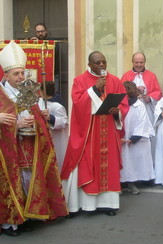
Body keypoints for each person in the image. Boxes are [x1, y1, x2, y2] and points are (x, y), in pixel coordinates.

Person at [0, 41, 68, 237]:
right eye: (16, 74)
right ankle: (9, 223)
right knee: (10, 182)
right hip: (6, 150)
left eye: (22, 73)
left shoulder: (29, 92)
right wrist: (11, 123)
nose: (21, 77)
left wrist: (41, 118)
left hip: (29, 145)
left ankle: (27, 216)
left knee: (27, 181)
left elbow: (37, 116)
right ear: (6, 75)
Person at [61, 51, 129, 217]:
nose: (101, 66)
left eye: (104, 62)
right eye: (97, 63)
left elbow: (124, 104)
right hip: (89, 134)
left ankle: (108, 204)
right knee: (86, 165)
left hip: (109, 131)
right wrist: (94, 89)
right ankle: (84, 204)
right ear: (89, 64)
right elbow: (77, 104)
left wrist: (117, 111)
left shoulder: (114, 80)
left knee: (108, 167)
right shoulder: (80, 80)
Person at [121, 52, 162, 162]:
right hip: (131, 111)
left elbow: (158, 91)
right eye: (136, 62)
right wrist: (134, 92)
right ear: (132, 62)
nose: (139, 64)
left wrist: (149, 98)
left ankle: (150, 162)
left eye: (141, 62)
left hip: (147, 109)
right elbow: (121, 93)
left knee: (147, 135)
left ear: (145, 62)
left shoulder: (151, 75)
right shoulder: (126, 76)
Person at [120, 81, 155, 195]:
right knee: (122, 160)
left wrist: (134, 138)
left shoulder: (139, 105)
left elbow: (142, 122)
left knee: (134, 160)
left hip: (135, 138)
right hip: (121, 138)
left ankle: (132, 183)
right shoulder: (118, 104)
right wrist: (119, 136)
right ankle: (120, 183)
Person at [38, 81, 69, 171]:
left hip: (55, 138)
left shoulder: (57, 106)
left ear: (42, 92)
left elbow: (64, 122)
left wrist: (50, 118)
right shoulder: (39, 102)